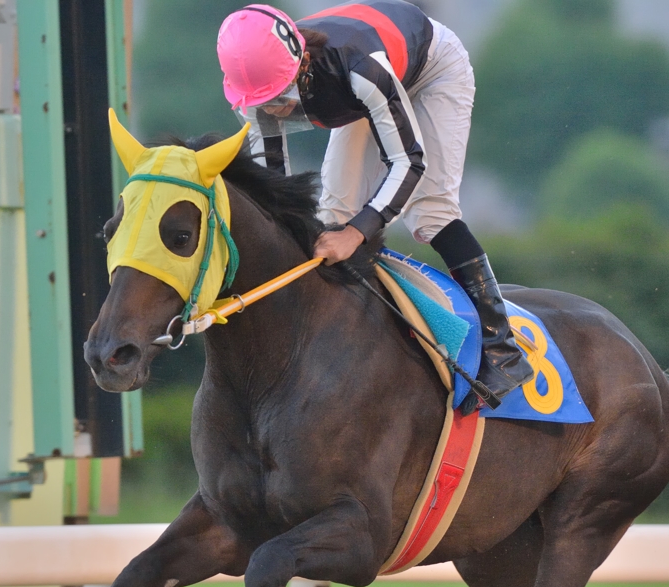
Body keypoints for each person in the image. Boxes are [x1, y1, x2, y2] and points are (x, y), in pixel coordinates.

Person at [216, 0, 533, 408]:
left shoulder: (359, 71)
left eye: (281, 93)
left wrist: (356, 234)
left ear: (302, 62)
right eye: (265, 99)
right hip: (361, 85)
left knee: (431, 213)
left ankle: (502, 349)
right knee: (332, 214)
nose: (274, 107)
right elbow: (274, 190)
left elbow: (409, 162)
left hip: (430, 71)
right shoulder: (258, 83)